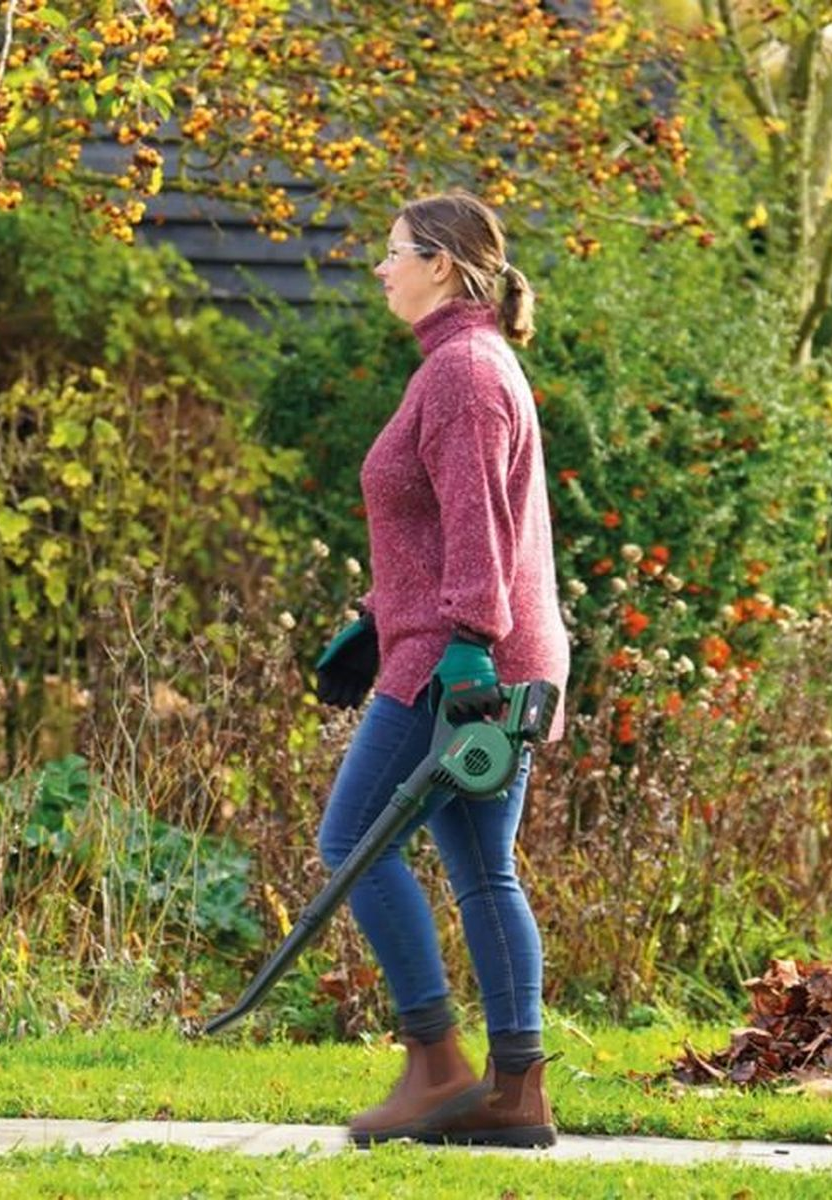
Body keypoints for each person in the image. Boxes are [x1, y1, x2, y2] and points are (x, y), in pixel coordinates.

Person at [313, 190, 570, 1148]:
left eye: (394, 252)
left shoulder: (462, 372)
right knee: (482, 871)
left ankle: (437, 1065)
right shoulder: (466, 363)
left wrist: (461, 639)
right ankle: (516, 1092)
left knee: (352, 842)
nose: (381, 268)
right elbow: (445, 523)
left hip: (461, 663)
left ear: (442, 264)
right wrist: (378, 617)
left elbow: (477, 527)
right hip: (468, 648)